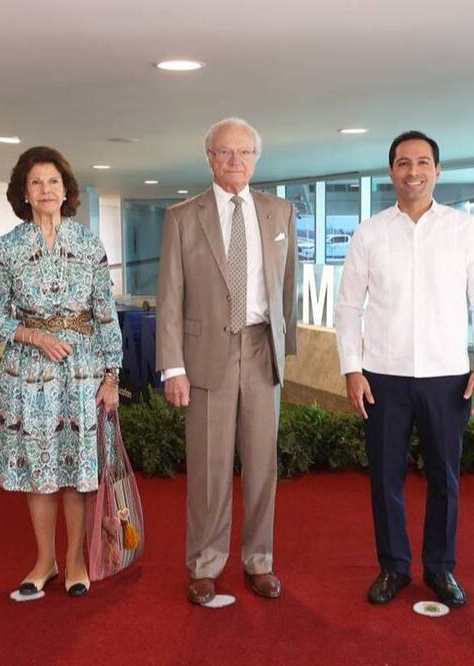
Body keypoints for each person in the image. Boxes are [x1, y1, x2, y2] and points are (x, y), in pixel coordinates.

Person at [335, 130, 474, 607]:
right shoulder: (370, 232)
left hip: (447, 375)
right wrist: (352, 368)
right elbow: (348, 307)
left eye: (423, 162)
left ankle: (440, 569)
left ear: (437, 170)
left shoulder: (463, 229)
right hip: (382, 375)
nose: (413, 171)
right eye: (403, 163)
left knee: (445, 477)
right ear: (391, 172)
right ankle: (393, 568)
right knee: (385, 477)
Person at [156, 118, 297, 605]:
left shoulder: (280, 213)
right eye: (224, 152)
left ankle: (260, 561)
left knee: (262, 465)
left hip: (262, 350)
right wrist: (172, 366)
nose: (234, 160)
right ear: (209, 158)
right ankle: (204, 563)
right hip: (204, 357)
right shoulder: (182, 216)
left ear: (256, 158)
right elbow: (170, 297)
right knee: (209, 466)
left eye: (243, 152)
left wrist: (286, 351)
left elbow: (286, 289)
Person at [0, 146, 122, 599]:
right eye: (36, 183)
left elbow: (106, 315)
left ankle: (78, 559)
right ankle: (44, 562)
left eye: (53, 182)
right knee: (38, 472)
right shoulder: (7, 248)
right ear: (24, 192)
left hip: (82, 373)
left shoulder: (88, 244)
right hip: (28, 376)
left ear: (66, 191)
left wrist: (111, 377)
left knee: (77, 470)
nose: (45, 190)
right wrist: (33, 336)